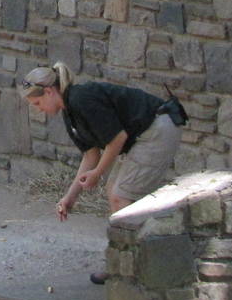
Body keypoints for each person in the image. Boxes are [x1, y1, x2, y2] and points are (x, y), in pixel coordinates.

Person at [21, 62, 186, 282]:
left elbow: (117, 138)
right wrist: (70, 197)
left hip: (158, 128)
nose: (38, 108)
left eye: (38, 102)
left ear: (50, 91)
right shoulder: (70, 112)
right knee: (115, 192)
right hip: (143, 135)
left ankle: (134, 267)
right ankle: (124, 263)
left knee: (122, 195)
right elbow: (91, 155)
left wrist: (97, 173)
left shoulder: (81, 98)